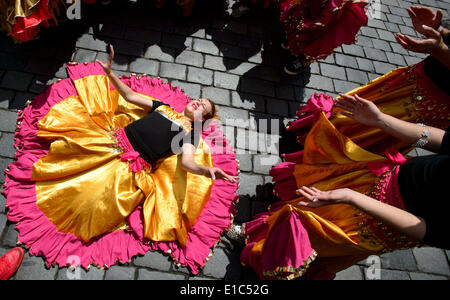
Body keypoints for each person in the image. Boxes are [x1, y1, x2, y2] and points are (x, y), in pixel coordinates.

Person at [229, 5, 450, 280]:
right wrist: (381, 120)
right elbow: (443, 140)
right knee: (312, 203)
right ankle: (262, 232)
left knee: (316, 229)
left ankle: (265, 253)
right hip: (390, 174)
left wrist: (353, 198)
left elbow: (428, 230)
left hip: (385, 219)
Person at [3, 45, 239, 274]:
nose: (197, 103)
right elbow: (130, 95)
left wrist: (207, 170)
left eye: (202, 108)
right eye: (199, 100)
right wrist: (110, 73)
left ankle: (60, 222)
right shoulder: (163, 107)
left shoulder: (190, 135)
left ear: (202, 119)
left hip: (128, 166)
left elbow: (187, 163)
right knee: (69, 155)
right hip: (109, 141)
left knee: (90, 195)